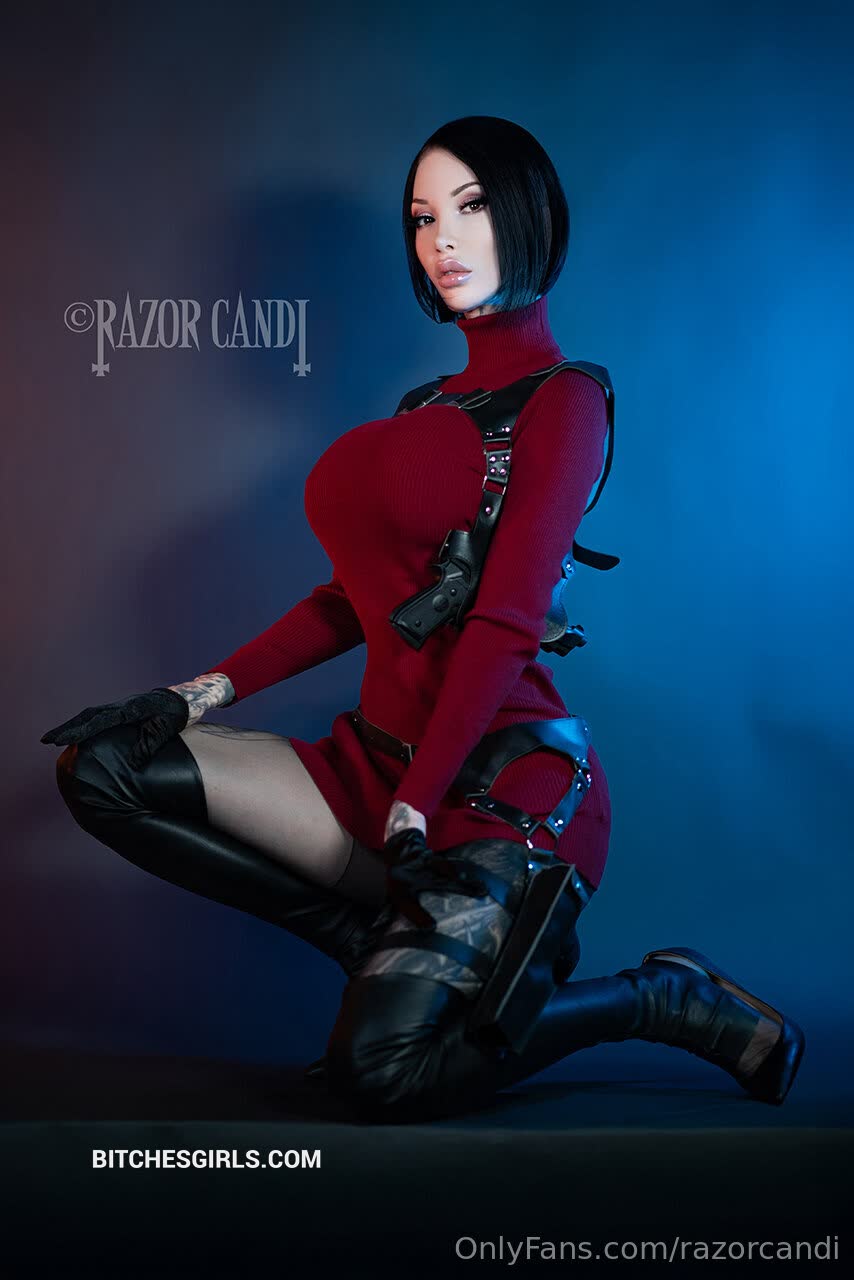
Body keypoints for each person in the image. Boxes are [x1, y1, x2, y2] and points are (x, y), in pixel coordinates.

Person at [41, 115, 804, 1122]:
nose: (442, 239)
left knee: (383, 1074)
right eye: (421, 217)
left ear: (527, 216)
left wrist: (419, 802)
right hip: (377, 768)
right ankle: (372, 944)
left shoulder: (566, 400)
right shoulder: (423, 406)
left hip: (501, 793)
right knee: (104, 767)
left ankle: (656, 998)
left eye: (471, 207)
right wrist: (192, 695)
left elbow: (507, 621)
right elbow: (350, 602)